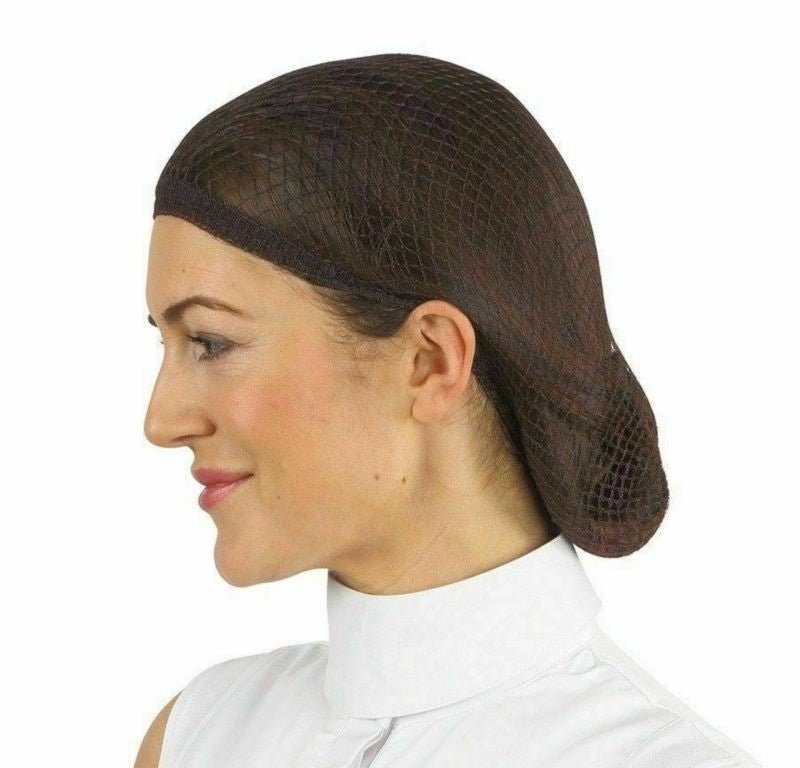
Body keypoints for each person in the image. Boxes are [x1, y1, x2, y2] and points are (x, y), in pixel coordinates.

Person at [135, 53, 761, 767]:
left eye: (211, 342)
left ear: (430, 360)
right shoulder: (199, 733)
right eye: (165, 342)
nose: (161, 421)